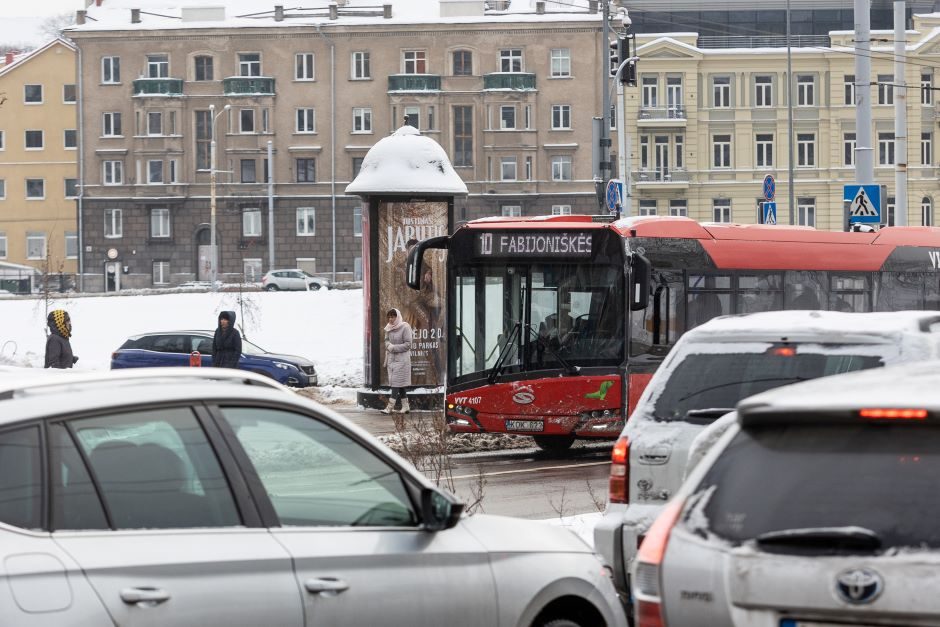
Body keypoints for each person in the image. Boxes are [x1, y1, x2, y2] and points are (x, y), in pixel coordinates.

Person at [383, 308, 413, 414]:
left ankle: (390, 407)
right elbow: (386, 340)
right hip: (391, 360)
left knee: (395, 383)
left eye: (393, 316)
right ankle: (406, 406)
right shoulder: (388, 328)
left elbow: (408, 344)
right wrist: (388, 345)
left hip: (402, 361)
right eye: (389, 317)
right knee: (400, 385)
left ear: (397, 316)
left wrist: (393, 348)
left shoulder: (405, 327)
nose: (390, 319)